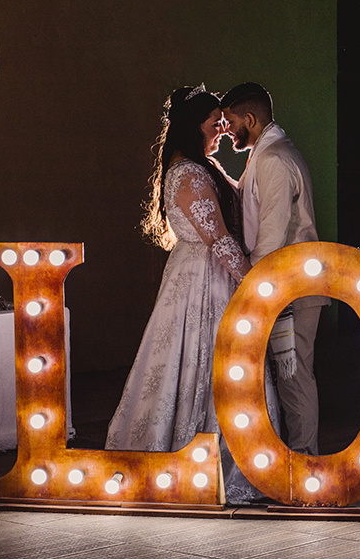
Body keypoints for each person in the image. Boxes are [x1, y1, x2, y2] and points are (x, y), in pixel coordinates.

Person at [106, 85, 279, 503]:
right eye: (215, 121)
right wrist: (254, 282)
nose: (222, 128)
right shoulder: (188, 173)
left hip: (204, 272)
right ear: (195, 125)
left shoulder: (202, 166)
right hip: (203, 278)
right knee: (204, 358)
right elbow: (217, 239)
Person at [220, 82, 327, 455]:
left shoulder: (274, 160)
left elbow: (271, 236)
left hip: (294, 286)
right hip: (287, 283)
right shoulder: (266, 154)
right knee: (288, 373)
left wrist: (248, 286)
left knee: (293, 374)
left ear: (250, 119)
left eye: (230, 122)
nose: (227, 130)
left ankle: (305, 461)